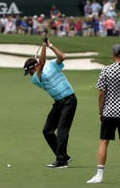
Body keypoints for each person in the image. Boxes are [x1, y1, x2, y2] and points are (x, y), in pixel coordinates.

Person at [87, 44, 120, 184]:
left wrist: (100, 111)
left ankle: (99, 175)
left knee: (104, 141)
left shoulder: (106, 71)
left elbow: (101, 93)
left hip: (109, 111)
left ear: (114, 55)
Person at [23, 36, 77, 169]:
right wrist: (43, 46)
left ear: (33, 67)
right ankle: (63, 156)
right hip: (59, 103)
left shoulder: (52, 65)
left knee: (63, 129)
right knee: (47, 130)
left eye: (29, 71)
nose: (30, 74)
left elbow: (62, 56)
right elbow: (41, 63)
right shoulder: (36, 78)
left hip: (69, 100)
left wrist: (49, 45)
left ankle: (61, 160)